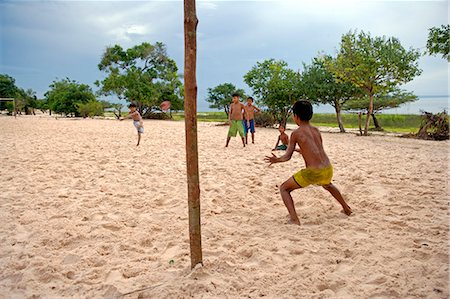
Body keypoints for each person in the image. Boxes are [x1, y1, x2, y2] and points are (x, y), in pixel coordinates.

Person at [265, 100, 352, 225]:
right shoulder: (316, 130)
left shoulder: (296, 133)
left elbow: (287, 157)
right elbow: (316, 149)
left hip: (313, 172)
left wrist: (276, 160)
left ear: (296, 116)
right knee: (328, 185)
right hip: (328, 169)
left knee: (284, 189)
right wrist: (301, 151)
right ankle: (346, 208)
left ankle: (294, 219)